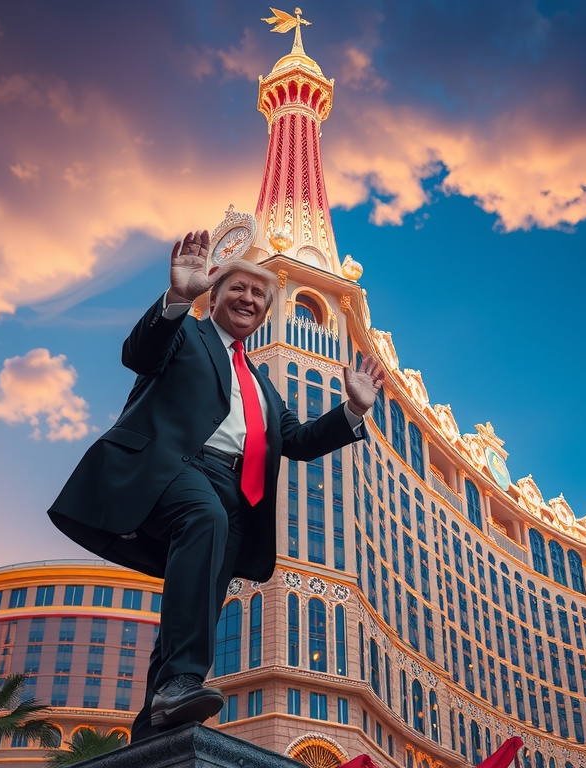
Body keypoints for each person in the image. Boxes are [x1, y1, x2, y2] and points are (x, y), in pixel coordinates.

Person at [48, 229, 385, 742]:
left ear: (266, 311)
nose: (247, 299)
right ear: (215, 293)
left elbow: (295, 439)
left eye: (257, 295)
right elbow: (139, 352)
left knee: (199, 601)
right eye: (237, 289)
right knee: (201, 517)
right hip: (176, 468)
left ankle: (152, 732)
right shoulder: (187, 334)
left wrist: (352, 410)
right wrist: (180, 297)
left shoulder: (261, 383)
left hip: (236, 497)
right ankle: (184, 681)